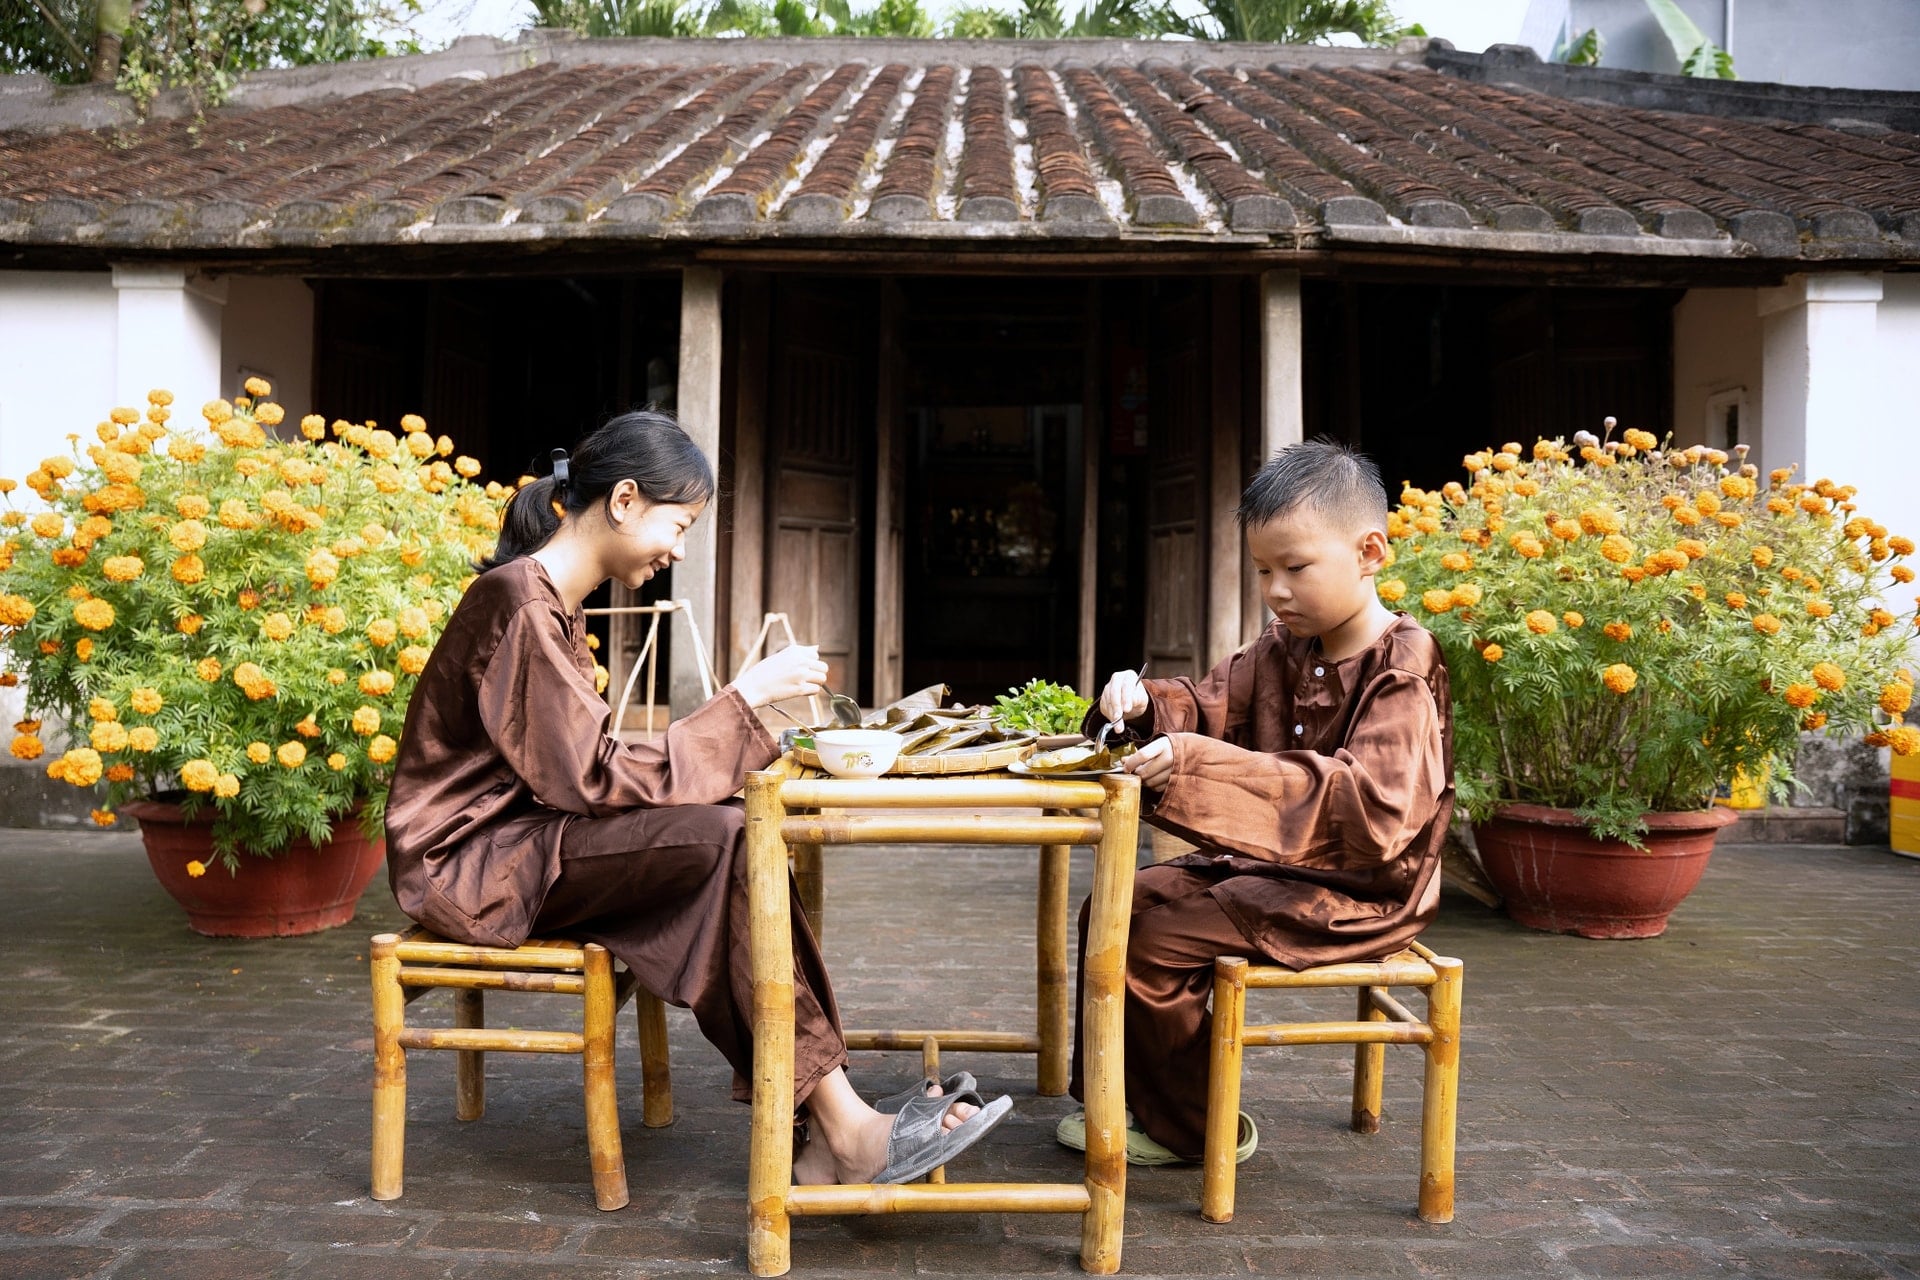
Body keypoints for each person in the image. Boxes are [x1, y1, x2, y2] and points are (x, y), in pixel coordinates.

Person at [384, 410, 1011, 1187]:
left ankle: (830, 1118)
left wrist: (752, 733)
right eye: (677, 525)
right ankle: (839, 1128)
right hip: (470, 863)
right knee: (727, 841)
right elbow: (590, 776)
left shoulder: (545, 600)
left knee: (731, 842)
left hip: (526, 840)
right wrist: (744, 700)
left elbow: (580, 773)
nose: (677, 550)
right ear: (622, 502)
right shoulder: (520, 601)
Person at [1057, 438, 1453, 1166]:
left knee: (1148, 946)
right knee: (1111, 908)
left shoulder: (1403, 668)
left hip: (1362, 892)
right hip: (1275, 869)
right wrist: (1145, 705)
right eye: (1264, 570)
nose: (1275, 590)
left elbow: (1370, 814)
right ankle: (1124, 1095)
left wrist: (1196, 767)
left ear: (1371, 552)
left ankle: (1194, 1128)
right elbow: (1209, 707)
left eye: (1296, 568)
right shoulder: (1281, 648)